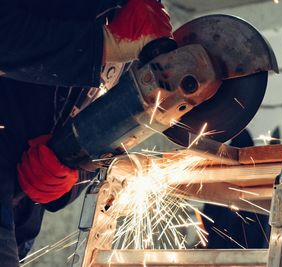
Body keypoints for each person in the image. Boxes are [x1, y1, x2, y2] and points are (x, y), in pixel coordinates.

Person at [0, 1, 173, 265]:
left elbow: (100, 130)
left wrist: (72, 170)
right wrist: (103, 45)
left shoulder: (125, 17)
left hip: (19, 217)